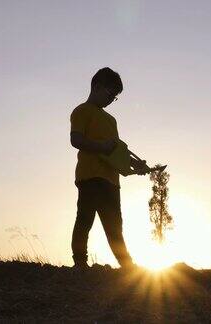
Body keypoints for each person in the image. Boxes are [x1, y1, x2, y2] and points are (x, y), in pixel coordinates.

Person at [69, 67, 147, 269]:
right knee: (85, 219)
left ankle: (127, 265)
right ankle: (80, 263)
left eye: (115, 96)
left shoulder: (112, 120)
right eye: (110, 93)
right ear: (96, 86)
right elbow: (75, 139)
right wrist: (101, 147)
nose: (112, 99)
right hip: (89, 177)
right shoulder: (81, 111)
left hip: (111, 181)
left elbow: (117, 151)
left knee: (115, 226)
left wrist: (135, 164)